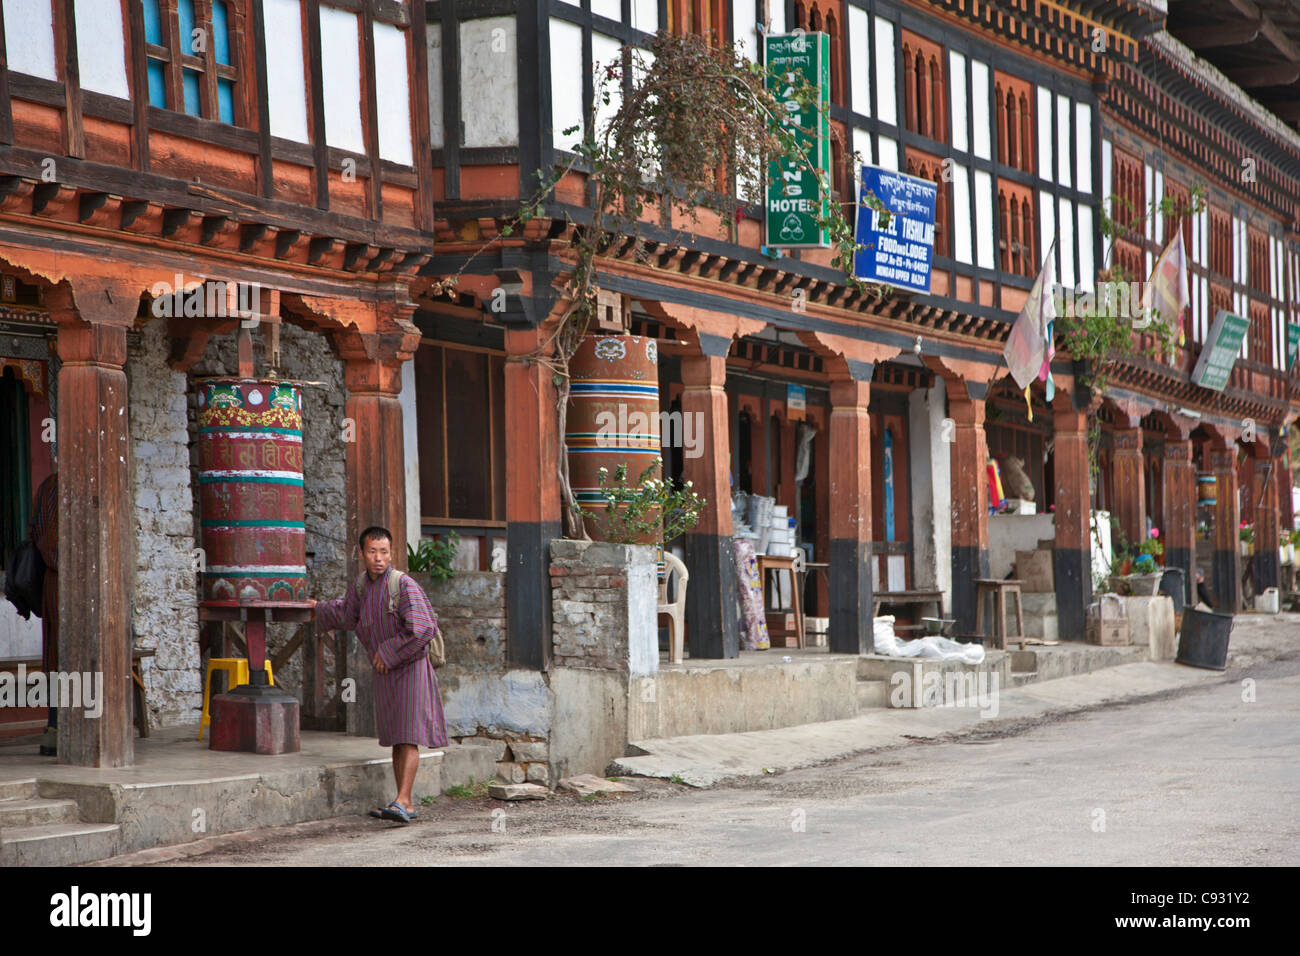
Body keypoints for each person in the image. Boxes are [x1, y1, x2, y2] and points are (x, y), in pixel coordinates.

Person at [307, 527, 448, 823]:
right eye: (372, 551)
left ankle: (404, 800)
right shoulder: (362, 586)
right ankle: (402, 803)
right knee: (398, 735)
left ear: (391, 553)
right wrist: (318, 608)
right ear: (361, 554)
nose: (378, 558)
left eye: (384, 552)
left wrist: (388, 652)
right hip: (387, 672)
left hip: (410, 668)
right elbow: (347, 614)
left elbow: (423, 628)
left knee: (409, 735)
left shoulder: (403, 584)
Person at [29, 470, 57, 756]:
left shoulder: (48, 485)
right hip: (65, 583)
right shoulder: (60, 487)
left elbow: (34, 531)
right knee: (65, 656)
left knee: (57, 658)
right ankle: (59, 730)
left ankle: (55, 729)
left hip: (54, 581)